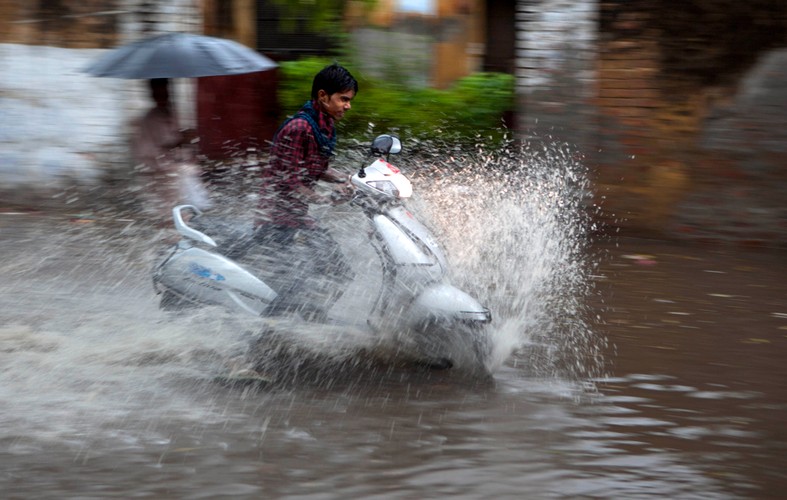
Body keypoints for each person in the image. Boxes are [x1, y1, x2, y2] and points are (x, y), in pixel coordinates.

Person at [254, 63, 358, 318]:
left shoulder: (325, 126)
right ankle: (269, 330)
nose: (348, 106)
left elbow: (317, 168)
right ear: (323, 96)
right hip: (276, 221)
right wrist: (324, 199)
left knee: (340, 269)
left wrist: (350, 179)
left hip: (298, 218)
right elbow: (290, 181)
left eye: (350, 100)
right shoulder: (299, 128)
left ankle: (312, 318)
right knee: (295, 284)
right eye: (343, 99)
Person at [132, 78, 211, 222]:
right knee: (169, 207)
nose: (164, 95)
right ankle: (174, 234)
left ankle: (182, 228)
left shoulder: (169, 112)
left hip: (167, 166)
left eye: (166, 91)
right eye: (159, 92)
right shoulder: (152, 117)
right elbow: (167, 142)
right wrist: (183, 138)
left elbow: (175, 141)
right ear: (153, 94)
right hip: (156, 167)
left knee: (178, 202)